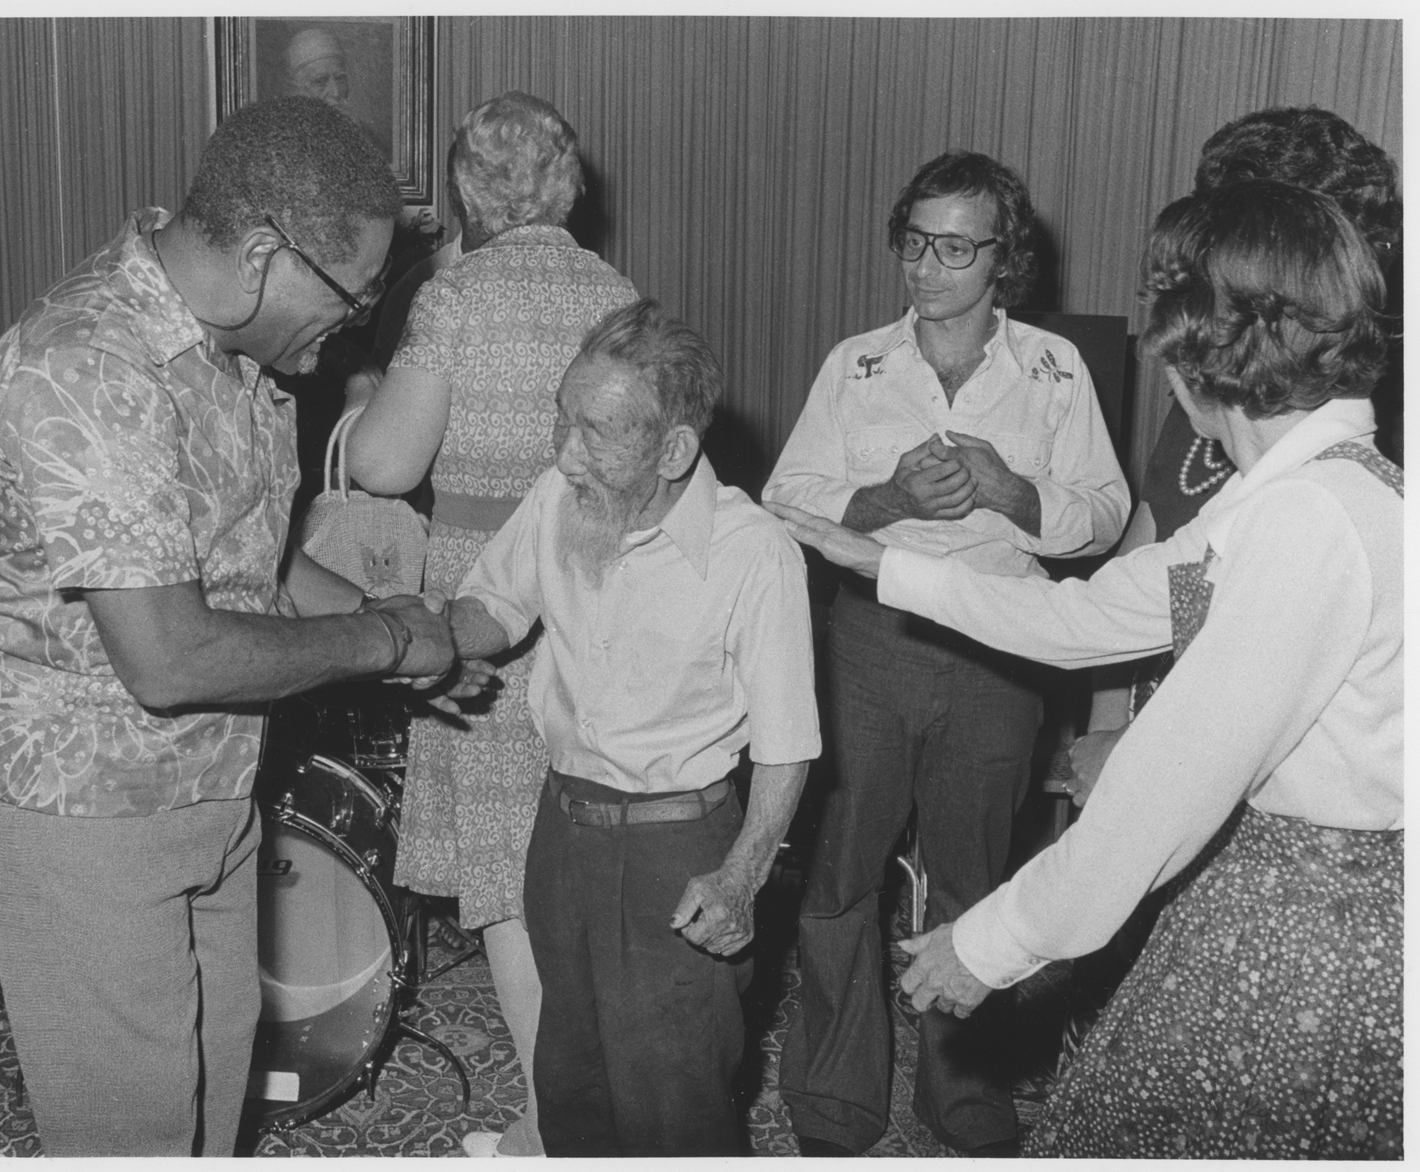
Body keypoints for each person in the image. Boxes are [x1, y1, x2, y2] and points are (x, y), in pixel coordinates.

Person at [771, 178, 1401, 1158]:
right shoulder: (1290, 498)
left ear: (1198, 347)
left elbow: (1167, 779)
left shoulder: (1303, 522)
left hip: (1307, 929)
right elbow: (1088, 615)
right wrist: (887, 557)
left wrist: (985, 942)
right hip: (1274, 896)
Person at [0, 97, 469, 1157]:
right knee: (127, 1128)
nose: (357, 328)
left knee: (209, 1091)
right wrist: (381, 646)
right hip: (85, 809)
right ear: (266, 254)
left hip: (213, 787)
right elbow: (172, 654)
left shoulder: (241, 358)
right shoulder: (84, 363)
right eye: (355, 296)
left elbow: (256, 557)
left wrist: (395, 627)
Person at [763, 150, 1130, 1156]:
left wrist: (1012, 493)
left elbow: (1103, 518)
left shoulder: (1054, 370)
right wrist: (885, 499)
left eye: (954, 248)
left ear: (999, 260)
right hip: (869, 645)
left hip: (997, 650)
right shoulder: (856, 363)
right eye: (914, 242)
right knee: (840, 873)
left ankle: (960, 1091)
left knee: (972, 879)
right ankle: (835, 1092)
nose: (926, 267)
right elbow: (784, 499)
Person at [433, 298, 821, 1156]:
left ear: (674, 448)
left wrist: (739, 880)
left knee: (671, 1101)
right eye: (561, 421)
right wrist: (430, 645)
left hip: (675, 852)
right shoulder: (557, 495)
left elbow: (787, 744)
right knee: (568, 1072)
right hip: (561, 833)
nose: (566, 454)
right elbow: (496, 602)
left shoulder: (754, 554)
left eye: (597, 433)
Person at [342, 92, 638, 1157]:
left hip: (488, 600)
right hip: (603, 589)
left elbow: (381, 465)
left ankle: (552, 1126)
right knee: (586, 856)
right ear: (568, 188)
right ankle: (596, 1098)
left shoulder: (455, 294)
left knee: (508, 878)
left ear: (467, 190)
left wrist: (373, 392)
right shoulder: (619, 297)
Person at [1072, 106, 1402, 807]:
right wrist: (1107, 724)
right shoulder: (1234, 372)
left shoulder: (1373, 432)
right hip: (1155, 734)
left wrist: (1141, 753)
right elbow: (1146, 547)